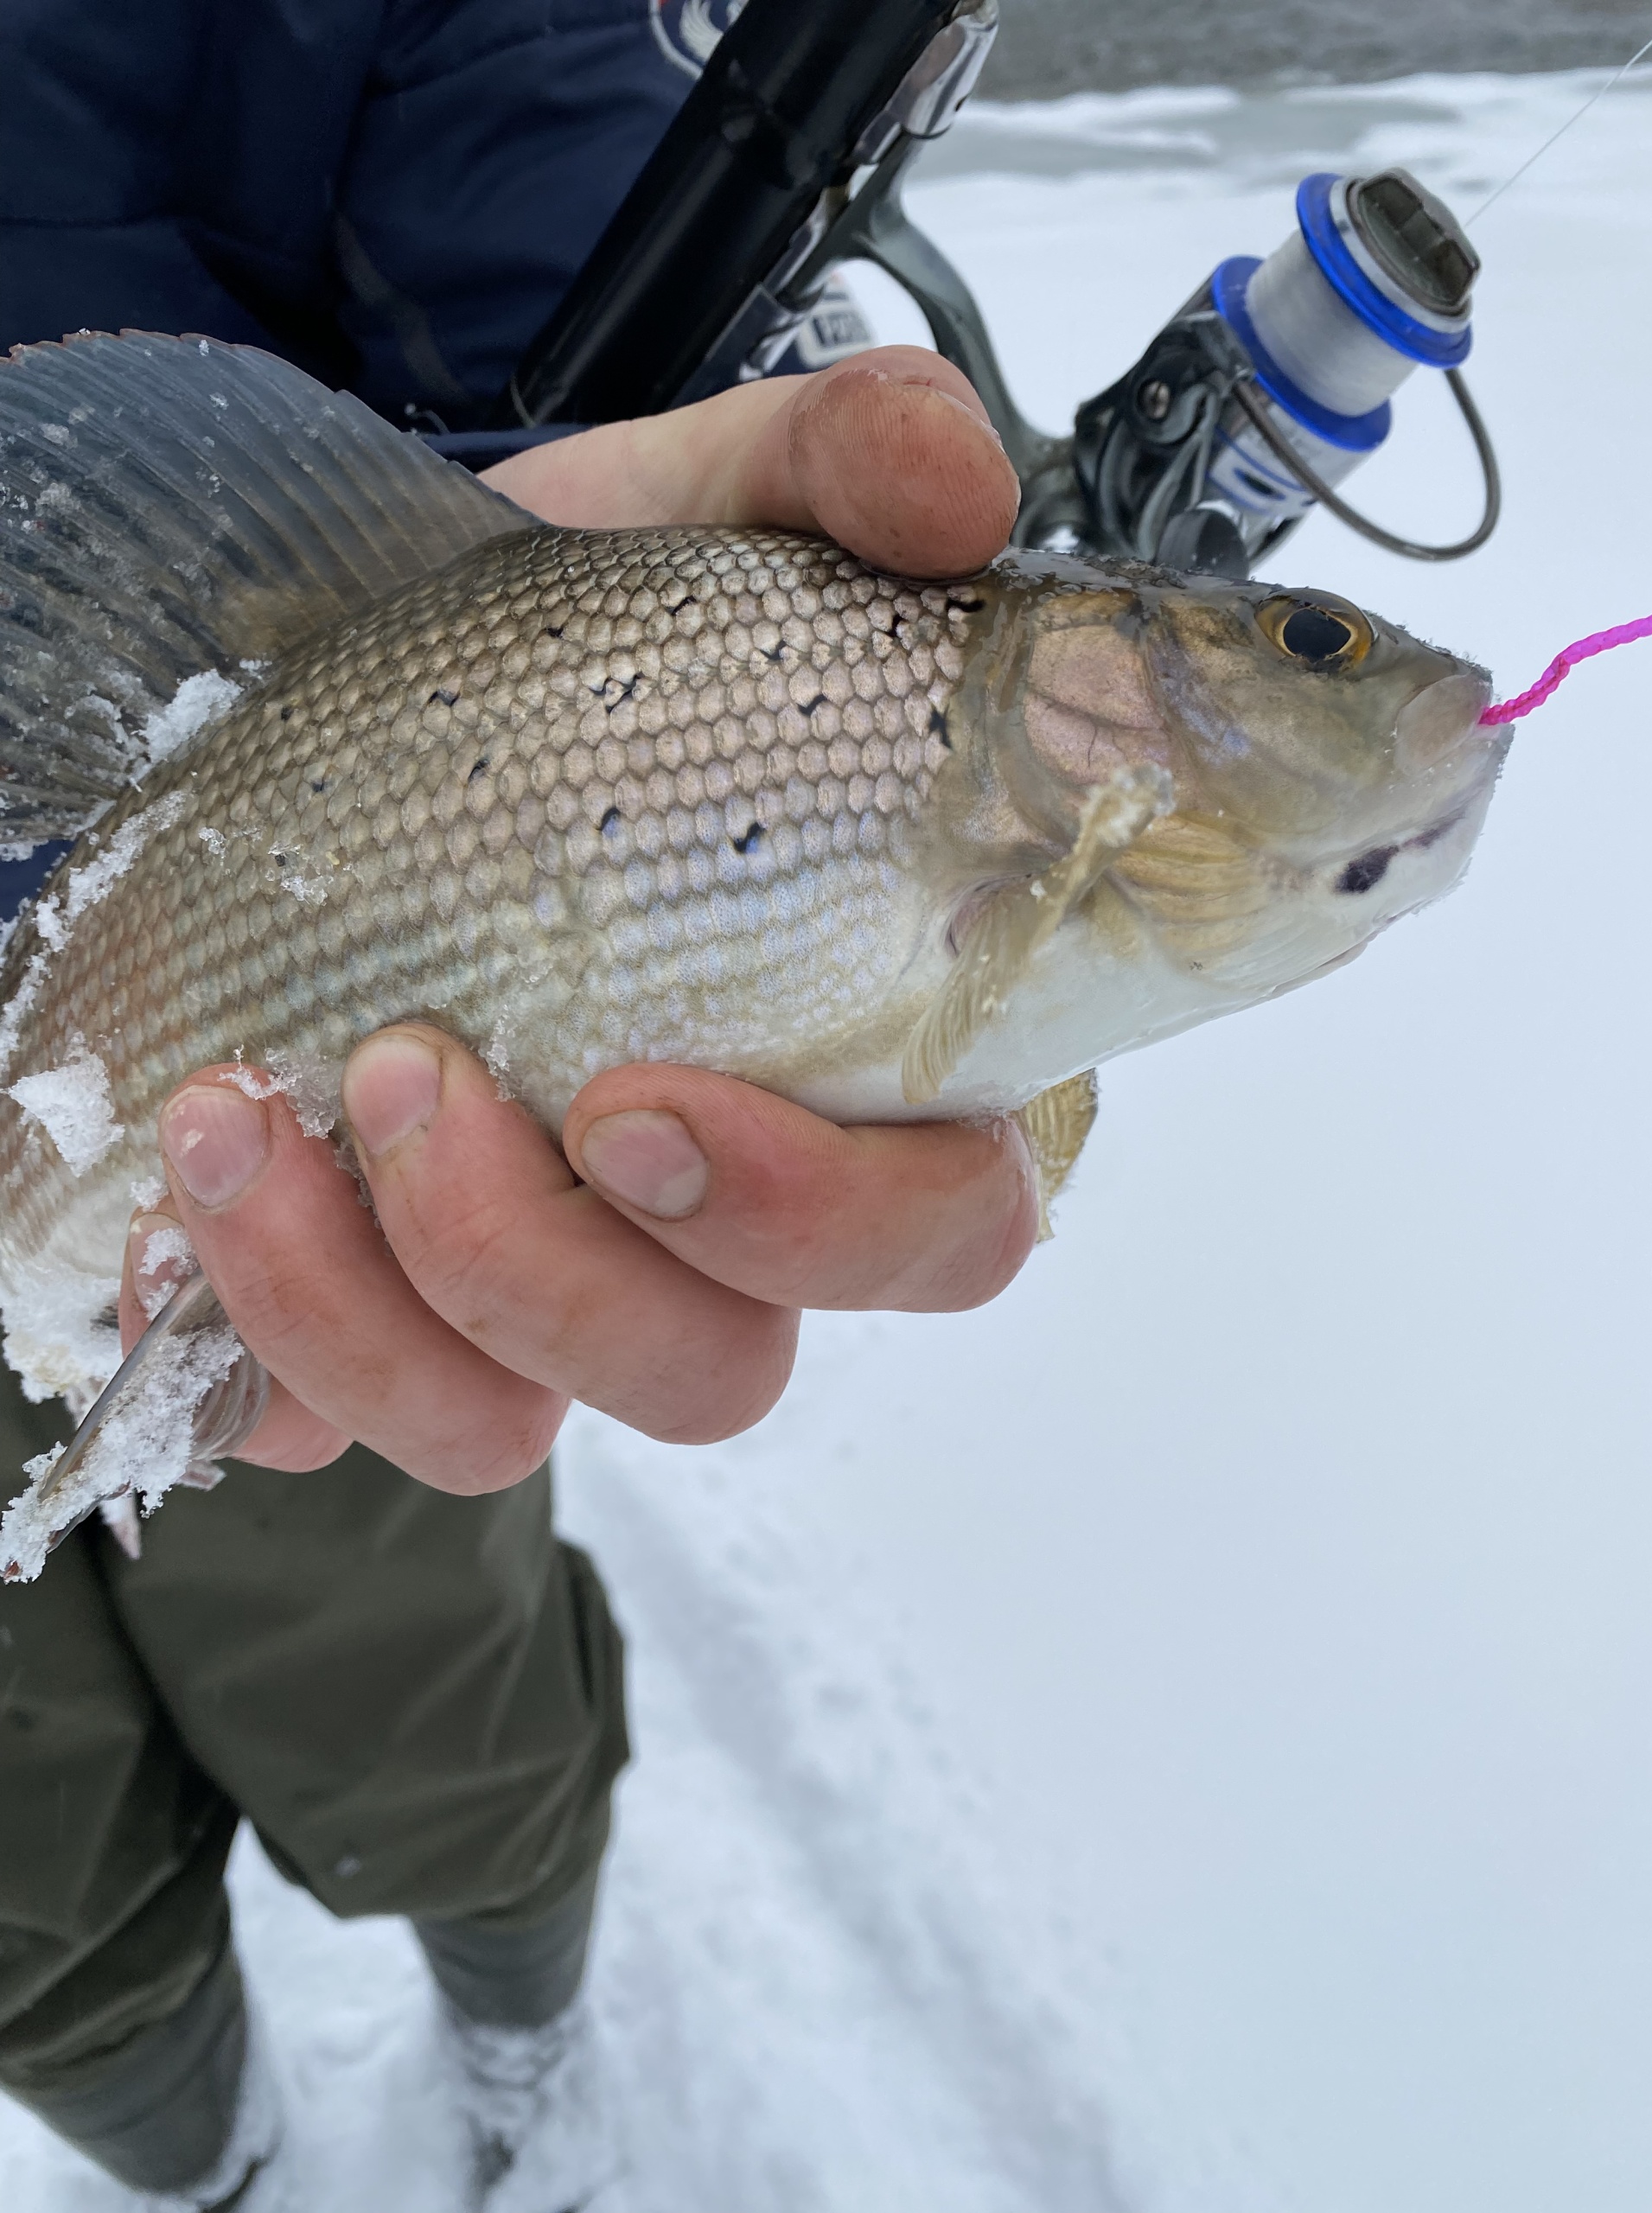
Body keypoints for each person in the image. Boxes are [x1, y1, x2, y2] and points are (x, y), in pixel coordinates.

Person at [0, 5, 1037, 2209]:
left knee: (415, 1691)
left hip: (298, 1087)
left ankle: (521, 2045)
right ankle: (201, 2160)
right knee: (21, 1882)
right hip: (206, 1015)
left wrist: (770, 730)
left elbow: (541, 176)